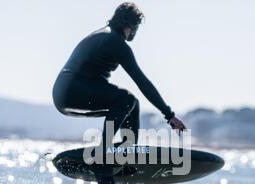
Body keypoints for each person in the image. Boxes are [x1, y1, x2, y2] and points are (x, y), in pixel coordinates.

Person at [52, 2, 186, 150]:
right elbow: (142, 82)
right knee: (126, 99)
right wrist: (169, 115)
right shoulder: (116, 43)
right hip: (74, 91)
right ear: (132, 26)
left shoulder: (101, 34)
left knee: (132, 104)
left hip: (62, 95)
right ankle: (105, 151)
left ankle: (124, 153)